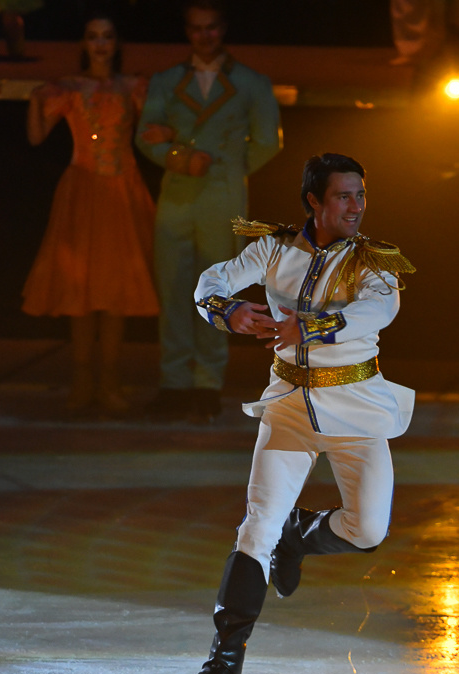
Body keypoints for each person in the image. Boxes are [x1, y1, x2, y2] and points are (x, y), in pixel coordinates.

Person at [183, 152, 416, 674]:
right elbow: (212, 281)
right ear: (314, 201)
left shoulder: (375, 265)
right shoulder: (273, 248)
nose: (356, 205)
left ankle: (299, 535)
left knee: (367, 530)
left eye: (360, 194)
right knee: (256, 527)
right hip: (287, 406)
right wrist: (229, 311)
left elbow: (375, 312)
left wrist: (307, 325)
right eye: (343, 195)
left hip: (356, 411)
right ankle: (224, 660)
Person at [135, 0, 282, 424]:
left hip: (220, 196)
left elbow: (268, 141)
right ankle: (175, 382)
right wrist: (182, 156)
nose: (205, 36)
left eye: (211, 28)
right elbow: (147, 136)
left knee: (217, 289)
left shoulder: (251, 82)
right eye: (197, 29)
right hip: (179, 194)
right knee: (175, 287)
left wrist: (227, 168)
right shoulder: (167, 81)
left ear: (223, 29)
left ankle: (207, 383)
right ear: (187, 31)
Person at [22, 10, 159, 417]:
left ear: (116, 44)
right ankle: (83, 380)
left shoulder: (133, 87)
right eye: (93, 36)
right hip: (82, 189)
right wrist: (35, 98)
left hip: (121, 188)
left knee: (115, 289)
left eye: (107, 36)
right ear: (85, 43)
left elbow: (154, 130)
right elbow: (35, 136)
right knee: (80, 289)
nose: (100, 43)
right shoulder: (69, 88)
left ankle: (110, 380)